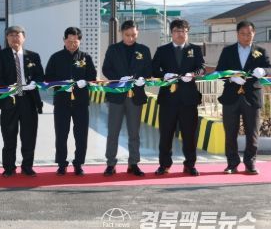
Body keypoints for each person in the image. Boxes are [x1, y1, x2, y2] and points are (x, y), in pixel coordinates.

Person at [215, 20, 271, 175]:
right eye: (243, 34)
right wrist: (231, 78)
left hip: (252, 96)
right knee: (230, 133)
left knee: (252, 133)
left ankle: (250, 163)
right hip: (231, 97)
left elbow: (270, 68)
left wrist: (264, 71)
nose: (246, 37)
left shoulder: (260, 51)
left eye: (249, 34)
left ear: (254, 33)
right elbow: (219, 72)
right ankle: (232, 163)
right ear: (237, 34)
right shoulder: (228, 51)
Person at [152, 18, 205, 176]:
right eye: (176, 31)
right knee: (166, 134)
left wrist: (192, 74)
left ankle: (190, 164)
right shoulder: (162, 50)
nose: (180, 34)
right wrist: (164, 75)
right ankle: (164, 165)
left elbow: (202, 68)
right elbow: (153, 69)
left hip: (188, 100)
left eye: (183, 31)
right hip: (168, 100)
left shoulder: (195, 49)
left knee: (189, 135)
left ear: (187, 33)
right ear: (171, 33)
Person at [101, 20, 152, 177]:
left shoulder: (144, 50)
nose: (130, 38)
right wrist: (119, 79)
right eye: (127, 35)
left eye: (133, 35)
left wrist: (142, 78)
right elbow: (106, 69)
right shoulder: (113, 49)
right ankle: (111, 163)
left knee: (134, 132)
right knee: (113, 132)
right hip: (117, 95)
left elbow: (149, 70)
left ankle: (133, 163)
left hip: (135, 96)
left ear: (138, 33)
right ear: (121, 33)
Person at [45, 27, 97, 176]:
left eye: (75, 42)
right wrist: (61, 84)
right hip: (62, 102)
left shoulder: (86, 57)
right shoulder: (56, 57)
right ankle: (62, 164)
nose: (72, 45)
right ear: (64, 40)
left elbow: (92, 77)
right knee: (61, 134)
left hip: (81, 102)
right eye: (69, 41)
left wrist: (85, 82)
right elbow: (47, 78)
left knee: (81, 135)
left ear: (80, 41)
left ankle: (78, 163)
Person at [0, 25, 44, 177]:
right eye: (11, 35)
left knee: (29, 136)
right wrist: (7, 87)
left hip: (29, 100)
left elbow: (40, 76)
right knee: (9, 136)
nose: (14, 38)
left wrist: (34, 83)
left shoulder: (33, 56)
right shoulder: (1, 55)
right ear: (7, 38)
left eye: (18, 35)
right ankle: (9, 168)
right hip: (9, 100)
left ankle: (27, 166)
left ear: (24, 37)